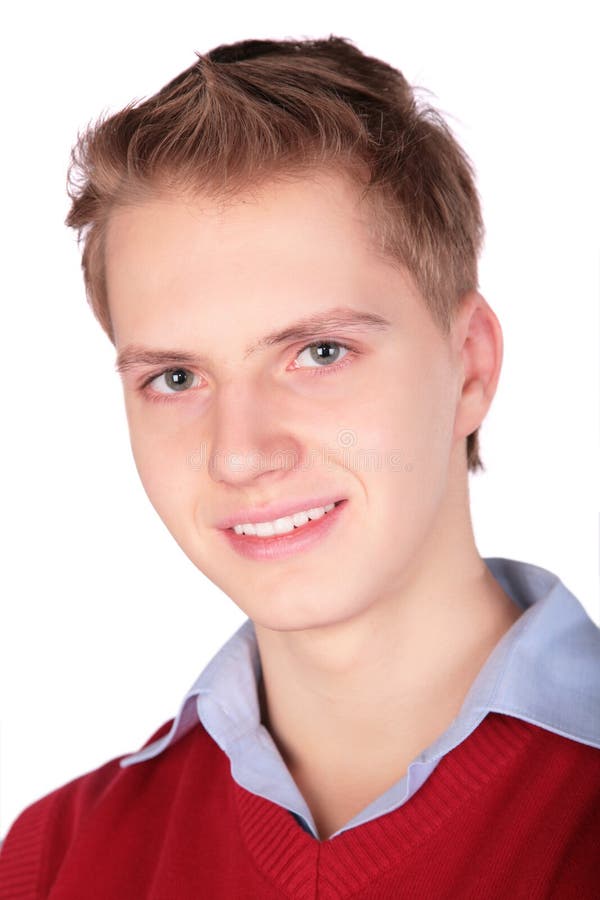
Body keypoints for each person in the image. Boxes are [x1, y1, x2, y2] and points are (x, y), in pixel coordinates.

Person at [1, 34, 599, 899]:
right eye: (176, 377)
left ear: (468, 366)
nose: (240, 452)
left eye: (319, 352)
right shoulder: (63, 857)